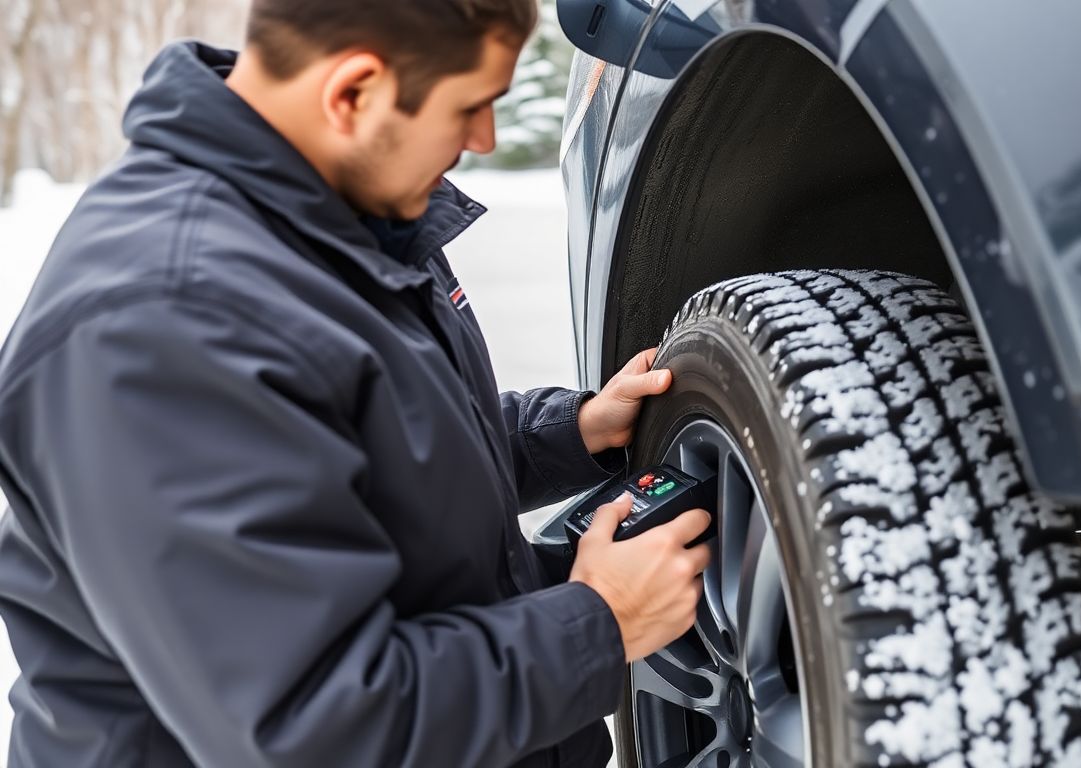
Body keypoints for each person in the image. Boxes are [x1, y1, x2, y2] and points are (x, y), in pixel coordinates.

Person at [0, 0, 713, 765]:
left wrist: (569, 432)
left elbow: (365, 457)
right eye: (471, 107)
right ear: (352, 92)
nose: (485, 141)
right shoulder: (158, 325)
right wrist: (596, 624)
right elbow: (312, 730)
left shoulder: (339, 208)